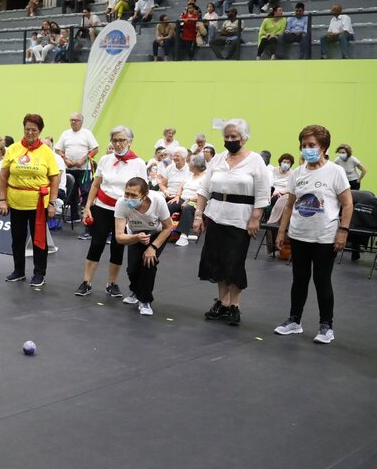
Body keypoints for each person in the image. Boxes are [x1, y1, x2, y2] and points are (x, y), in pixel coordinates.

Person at [273, 125, 353, 344]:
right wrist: (281, 231)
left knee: (322, 280)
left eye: (312, 145)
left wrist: (343, 231)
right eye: (304, 145)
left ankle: (326, 326)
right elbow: (289, 205)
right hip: (299, 235)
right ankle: (294, 321)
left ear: (323, 147)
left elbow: (347, 204)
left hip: (324, 237)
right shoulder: (297, 173)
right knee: (299, 279)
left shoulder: (335, 171)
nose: (307, 149)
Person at [193, 118, 271, 327]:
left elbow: (263, 194)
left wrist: (255, 218)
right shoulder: (217, 159)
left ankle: (235, 305)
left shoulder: (255, 160)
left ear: (244, 138)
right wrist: (199, 215)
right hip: (216, 215)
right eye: (226, 137)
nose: (229, 140)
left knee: (234, 262)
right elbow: (204, 189)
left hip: (240, 219)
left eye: (233, 136)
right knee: (217, 260)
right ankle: (223, 302)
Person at [76, 125, 147, 298]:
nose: (118, 144)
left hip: (124, 210)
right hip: (102, 207)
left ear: (129, 141)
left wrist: (138, 213)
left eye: (122, 140)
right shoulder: (105, 159)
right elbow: (95, 185)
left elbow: (143, 190)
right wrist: (87, 207)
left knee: (118, 247)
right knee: (96, 244)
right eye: (114, 140)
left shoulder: (138, 163)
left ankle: (112, 284)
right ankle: (86, 282)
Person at [0, 114, 60, 287]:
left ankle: (39, 273)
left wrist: (53, 203)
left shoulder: (46, 152)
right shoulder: (13, 149)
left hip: (38, 205)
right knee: (17, 239)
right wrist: (2, 199)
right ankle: (18, 271)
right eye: (27, 129)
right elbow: (3, 176)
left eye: (34, 130)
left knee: (39, 240)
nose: (30, 133)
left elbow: (55, 178)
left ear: (40, 131)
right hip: (16, 202)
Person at [115, 177, 174, 315]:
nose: (129, 198)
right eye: (127, 194)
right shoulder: (121, 203)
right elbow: (119, 237)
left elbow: (168, 227)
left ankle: (145, 300)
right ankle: (136, 291)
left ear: (144, 194)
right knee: (132, 269)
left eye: (134, 195)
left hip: (156, 233)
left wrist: (153, 248)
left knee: (148, 264)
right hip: (135, 234)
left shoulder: (158, 200)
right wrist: (136, 237)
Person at [57, 113, 98, 233]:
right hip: (69, 168)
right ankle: (74, 216)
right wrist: (65, 159)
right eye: (71, 120)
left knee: (86, 192)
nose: (73, 122)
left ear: (81, 122)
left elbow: (95, 149)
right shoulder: (65, 134)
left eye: (76, 120)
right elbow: (58, 149)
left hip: (84, 169)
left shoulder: (87, 133)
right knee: (72, 194)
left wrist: (83, 160)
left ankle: (88, 218)